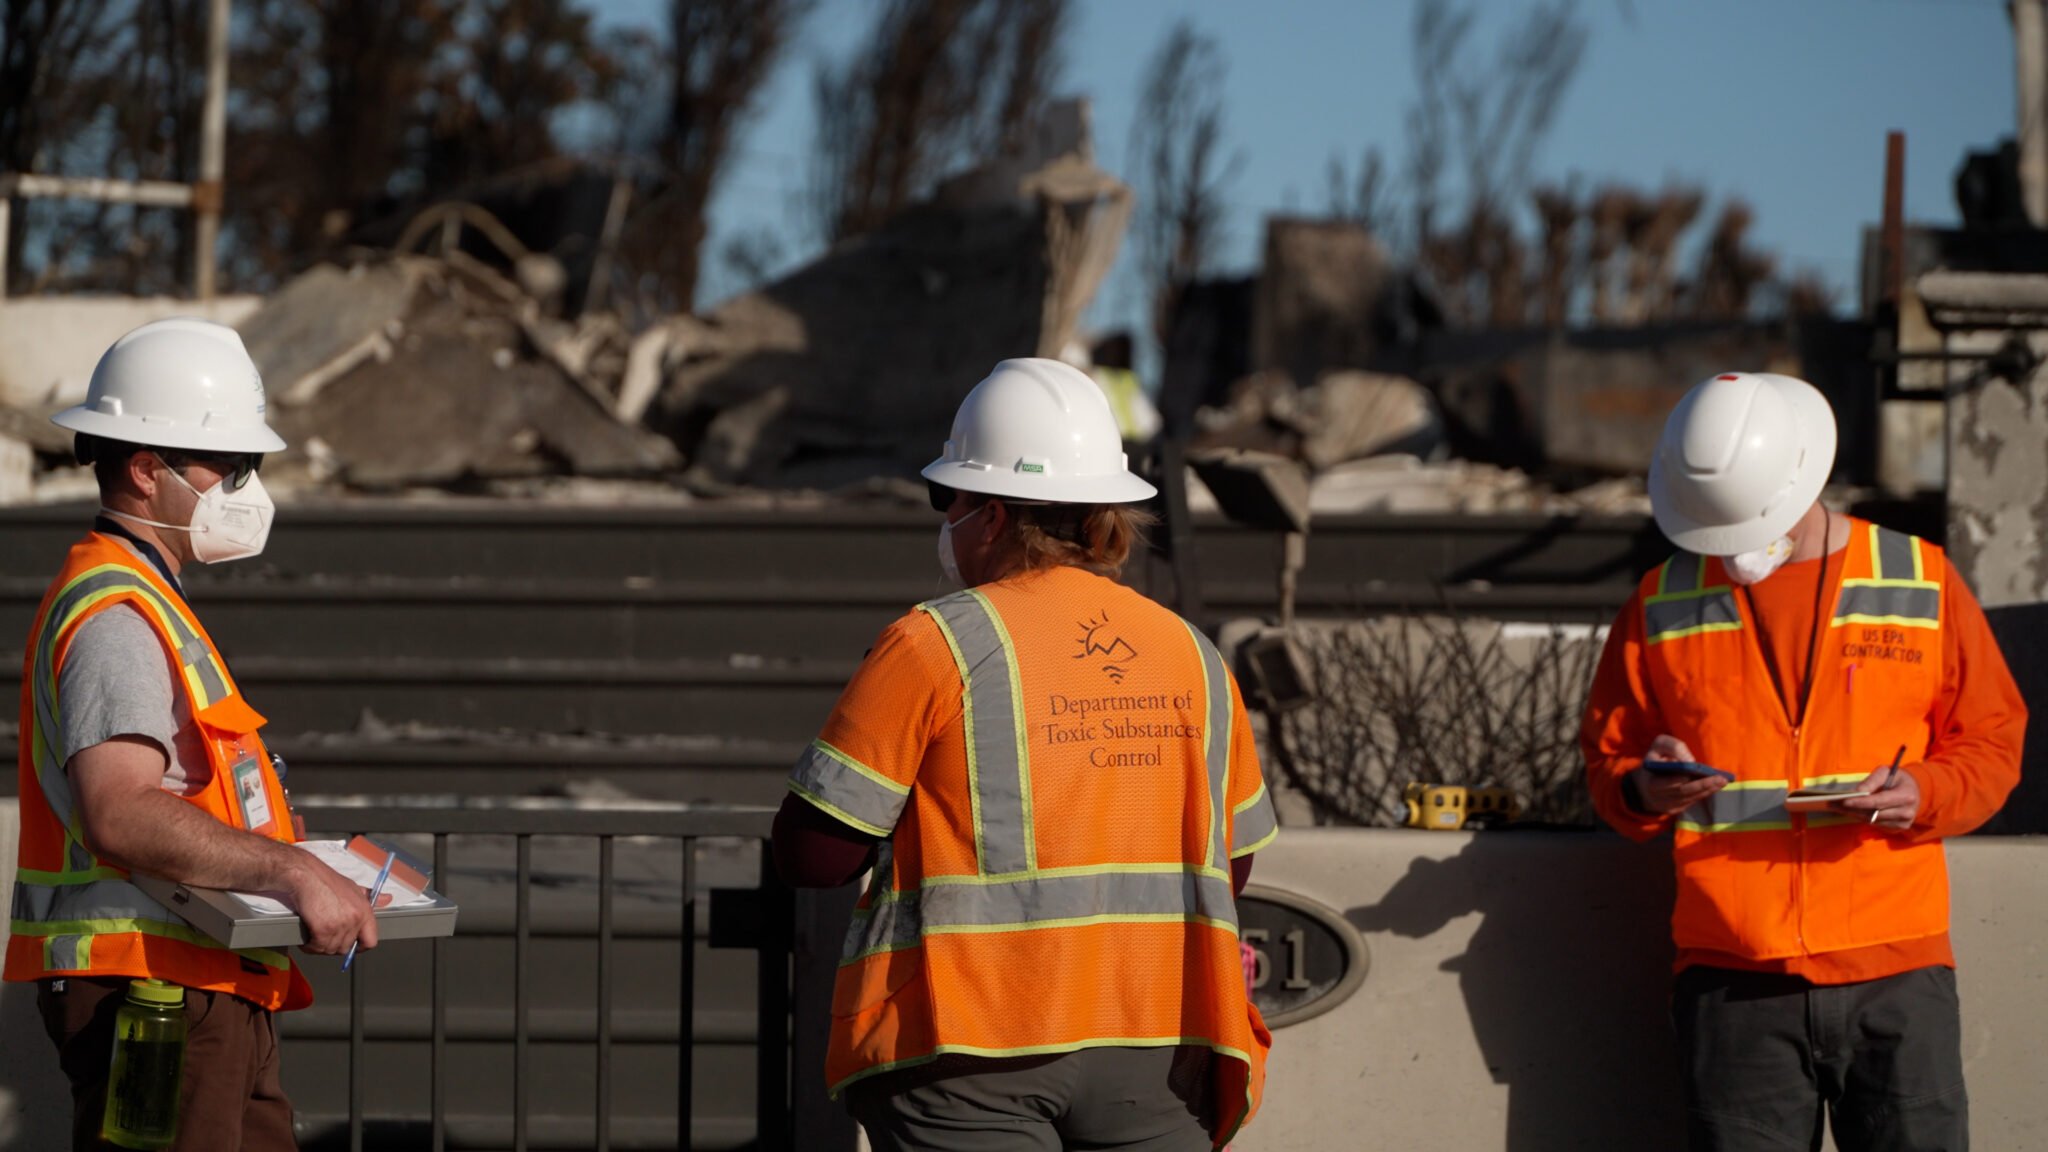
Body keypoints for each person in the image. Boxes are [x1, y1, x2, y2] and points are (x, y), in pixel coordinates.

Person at [771, 357, 1279, 1151]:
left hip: (968, 1048)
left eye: (953, 498)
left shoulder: (935, 644)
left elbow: (815, 849)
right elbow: (1232, 863)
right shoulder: (1193, 655)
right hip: (1159, 1044)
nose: (947, 520)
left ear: (994, 516)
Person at [1581, 371, 2025, 1151]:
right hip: (1733, 977)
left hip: (1895, 970)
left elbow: (1992, 740)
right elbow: (1608, 761)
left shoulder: (1920, 578)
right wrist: (1645, 788)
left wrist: (1920, 791)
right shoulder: (1659, 600)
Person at [6, 318, 378, 1151]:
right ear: (145, 470)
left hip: (202, 985)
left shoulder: (151, 602)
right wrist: (288, 869)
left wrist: (284, 851)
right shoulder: (117, 618)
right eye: (231, 465)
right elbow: (122, 811)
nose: (248, 488)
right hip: (156, 999)